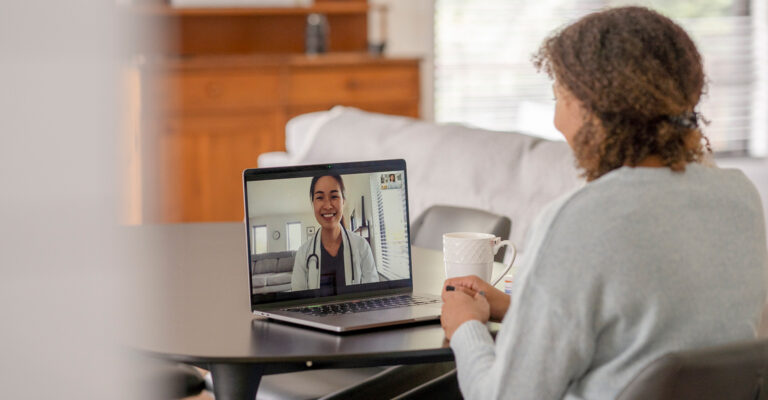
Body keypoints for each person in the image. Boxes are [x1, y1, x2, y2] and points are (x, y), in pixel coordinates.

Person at [441, 7, 767, 399]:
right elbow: (655, 335)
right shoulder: (740, 197)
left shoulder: (579, 220)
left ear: (593, 110)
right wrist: (521, 311)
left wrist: (465, 327)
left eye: (560, 97)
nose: (557, 121)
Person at [291, 174, 379, 291]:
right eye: (320, 198)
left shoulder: (362, 247)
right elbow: (298, 302)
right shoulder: (303, 254)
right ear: (313, 203)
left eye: (334, 196)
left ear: (343, 201)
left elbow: (372, 295)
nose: (327, 206)